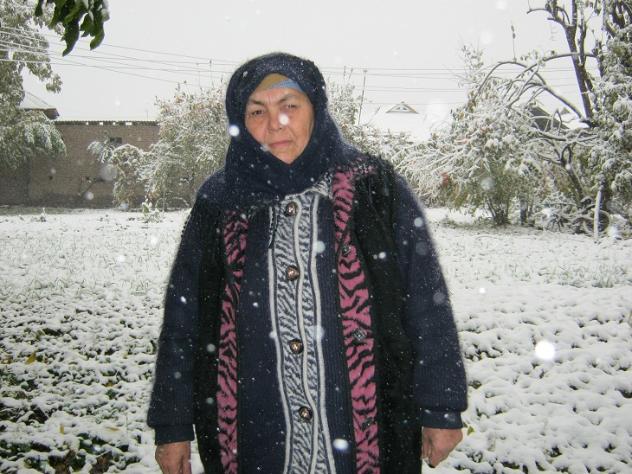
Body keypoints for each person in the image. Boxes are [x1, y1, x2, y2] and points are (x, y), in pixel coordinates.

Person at [147, 52, 467, 474]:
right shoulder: (219, 202)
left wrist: (441, 406)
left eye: (289, 106)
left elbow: (426, 300)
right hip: (253, 439)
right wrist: (172, 424)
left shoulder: (375, 187)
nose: (274, 124)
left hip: (370, 434)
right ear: (240, 121)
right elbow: (184, 318)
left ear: (315, 108)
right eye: (257, 111)